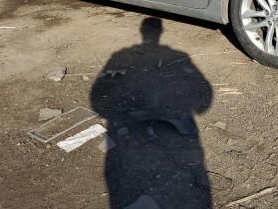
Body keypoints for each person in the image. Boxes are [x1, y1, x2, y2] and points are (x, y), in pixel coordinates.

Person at [90, 17, 213, 208]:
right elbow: (204, 97)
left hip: (127, 141)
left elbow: (97, 99)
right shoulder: (177, 55)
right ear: (160, 32)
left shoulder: (120, 56)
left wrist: (113, 112)